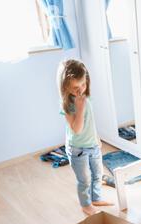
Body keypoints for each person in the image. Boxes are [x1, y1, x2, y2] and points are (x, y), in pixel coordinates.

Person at [57, 59, 113, 215]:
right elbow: (77, 129)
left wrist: (97, 138)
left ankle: (95, 198)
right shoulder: (67, 105)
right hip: (78, 149)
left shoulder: (85, 98)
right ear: (65, 86)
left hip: (92, 144)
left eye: (83, 84)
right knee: (84, 180)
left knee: (97, 174)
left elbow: (90, 122)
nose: (81, 89)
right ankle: (86, 205)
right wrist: (80, 108)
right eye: (75, 87)